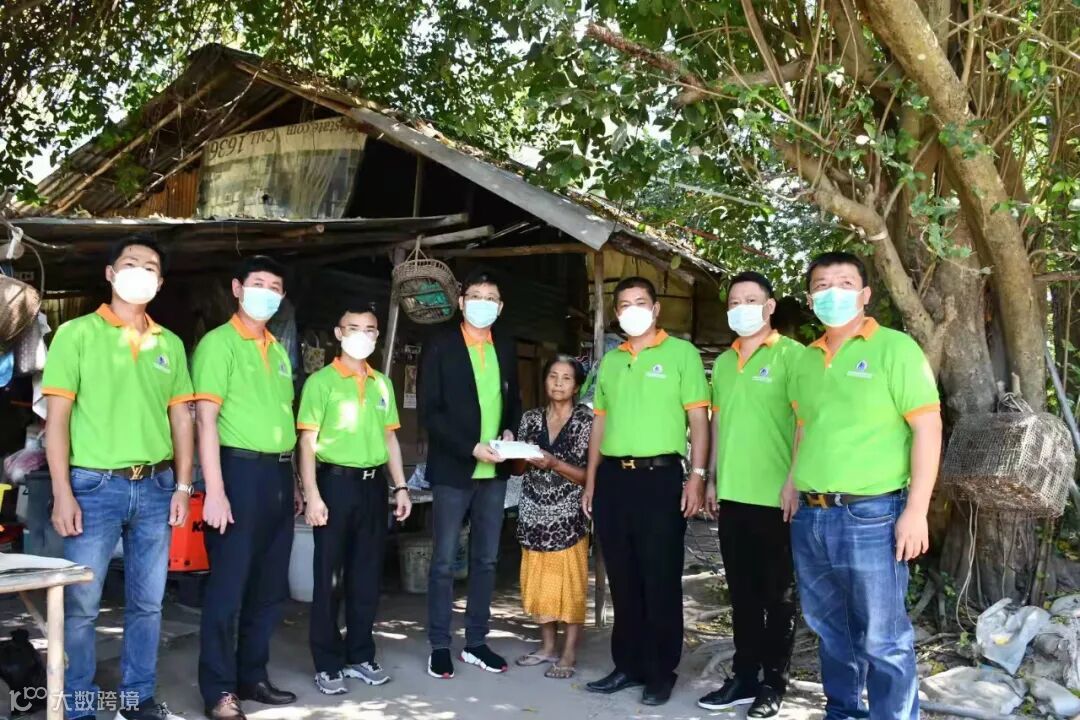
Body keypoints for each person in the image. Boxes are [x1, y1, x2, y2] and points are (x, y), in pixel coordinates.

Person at [783, 252, 942, 720]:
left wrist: (916, 510)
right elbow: (805, 427)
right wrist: (792, 483)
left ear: (865, 294)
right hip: (811, 514)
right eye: (821, 285)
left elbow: (927, 428)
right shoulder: (806, 360)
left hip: (871, 513)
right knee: (830, 629)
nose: (832, 293)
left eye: (844, 283)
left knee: (883, 638)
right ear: (810, 298)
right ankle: (844, 711)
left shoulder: (896, 349)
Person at [43, 236, 193, 720]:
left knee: (148, 604)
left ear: (160, 282)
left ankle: (137, 698)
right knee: (82, 605)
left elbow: (181, 420)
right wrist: (62, 492)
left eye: (150, 267)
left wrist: (183, 486)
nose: (140, 272)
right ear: (110, 273)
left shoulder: (169, 344)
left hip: (156, 486)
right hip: (93, 487)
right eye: (131, 263)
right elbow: (57, 421)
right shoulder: (76, 334)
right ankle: (79, 706)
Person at [582, 276, 710, 707]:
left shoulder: (681, 354)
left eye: (640, 302)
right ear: (617, 313)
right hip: (614, 480)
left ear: (655, 309)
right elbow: (599, 423)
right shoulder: (611, 361)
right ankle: (627, 664)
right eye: (624, 304)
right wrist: (592, 480)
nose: (632, 309)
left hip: (660, 478)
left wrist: (697, 476)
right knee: (622, 577)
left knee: (660, 577)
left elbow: (698, 420)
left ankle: (660, 671)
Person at [193, 256, 300, 720]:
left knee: (269, 587)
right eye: (259, 284)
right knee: (228, 588)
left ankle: (252, 675)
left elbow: (281, 418)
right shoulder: (219, 344)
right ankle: (219, 690)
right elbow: (206, 421)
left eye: (275, 287)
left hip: (278, 475)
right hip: (236, 473)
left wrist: (295, 480)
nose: (267, 293)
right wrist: (214, 492)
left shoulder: (278, 350)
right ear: (237, 288)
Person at [697, 271, 801, 718]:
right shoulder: (723, 363)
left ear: (770, 306)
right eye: (734, 302)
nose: (742, 308)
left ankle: (773, 684)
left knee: (778, 598)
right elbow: (718, 424)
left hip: (776, 498)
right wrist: (712, 478)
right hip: (734, 496)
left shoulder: (793, 356)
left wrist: (793, 481)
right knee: (741, 594)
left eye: (751, 300)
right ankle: (743, 676)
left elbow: (804, 423)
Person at [296, 305, 413, 695]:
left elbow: (390, 438)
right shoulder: (321, 382)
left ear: (378, 336)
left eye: (369, 329)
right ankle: (327, 662)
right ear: (339, 332)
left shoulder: (382, 384)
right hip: (335, 484)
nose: (362, 335)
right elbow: (307, 442)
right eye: (354, 327)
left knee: (366, 577)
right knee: (329, 577)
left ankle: (360, 654)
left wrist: (400, 486)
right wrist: (312, 494)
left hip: (372, 487)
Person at [419, 269, 522, 679]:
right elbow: (430, 412)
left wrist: (510, 431)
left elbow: (512, 400)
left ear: (500, 306)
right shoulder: (441, 344)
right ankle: (439, 645)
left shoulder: (505, 346)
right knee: (444, 561)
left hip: (494, 472)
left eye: (490, 297)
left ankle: (476, 642)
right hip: (454, 468)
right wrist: (469, 447)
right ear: (461, 302)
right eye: (475, 295)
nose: (483, 303)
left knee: (486, 559)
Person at [512, 355, 593, 680]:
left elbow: (590, 476)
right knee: (540, 584)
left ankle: (569, 653)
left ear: (576, 386)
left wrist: (554, 464)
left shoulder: (587, 421)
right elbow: (518, 470)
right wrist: (513, 450)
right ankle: (547, 647)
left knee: (570, 585)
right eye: (553, 377)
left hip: (569, 515)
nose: (558, 383)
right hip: (532, 512)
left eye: (566, 378)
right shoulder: (530, 419)